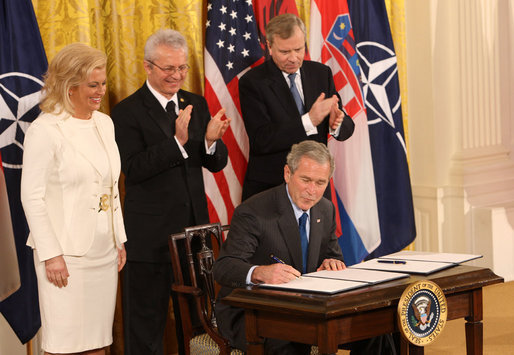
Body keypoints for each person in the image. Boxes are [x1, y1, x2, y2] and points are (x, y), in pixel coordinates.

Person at [111, 29, 230, 355]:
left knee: (200, 325)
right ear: (148, 67)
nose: (177, 75)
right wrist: (176, 143)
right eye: (169, 69)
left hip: (193, 238)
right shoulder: (126, 112)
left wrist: (210, 140)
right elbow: (133, 168)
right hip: (149, 239)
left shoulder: (196, 102)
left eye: (181, 68)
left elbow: (216, 163)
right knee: (145, 327)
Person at [20, 43, 127, 355]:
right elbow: (32, 197)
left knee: (98, 343)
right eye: (92, 85)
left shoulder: (104, 123)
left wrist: (118, 238)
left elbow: (111, 187)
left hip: (103, 252)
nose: (100, 91)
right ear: (68, 85)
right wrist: (51, 254)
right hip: (64, 257)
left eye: (103, 83)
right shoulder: (45, 130)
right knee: (64, 345)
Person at [213, 140, 345, 355]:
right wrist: (258, 272)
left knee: (375, 332)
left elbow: (331, 256)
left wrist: (331, 263)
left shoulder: (325, 209)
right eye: (305, 180)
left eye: (320, 183)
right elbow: (224, 267)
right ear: (287, 173)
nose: (312, 191)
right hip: (252, 312)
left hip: (307, 309)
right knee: (289, 342)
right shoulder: (253, 212)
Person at [239, 13, 355, 201]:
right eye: (285, 52)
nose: (293, 58)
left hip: (315, 190)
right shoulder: (252, 82)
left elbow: (346, 127)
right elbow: (262, 139)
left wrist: (337, 124)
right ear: (269, 46)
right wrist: (309, 121)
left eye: (299, 49)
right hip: (271, 189)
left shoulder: (321, 73)